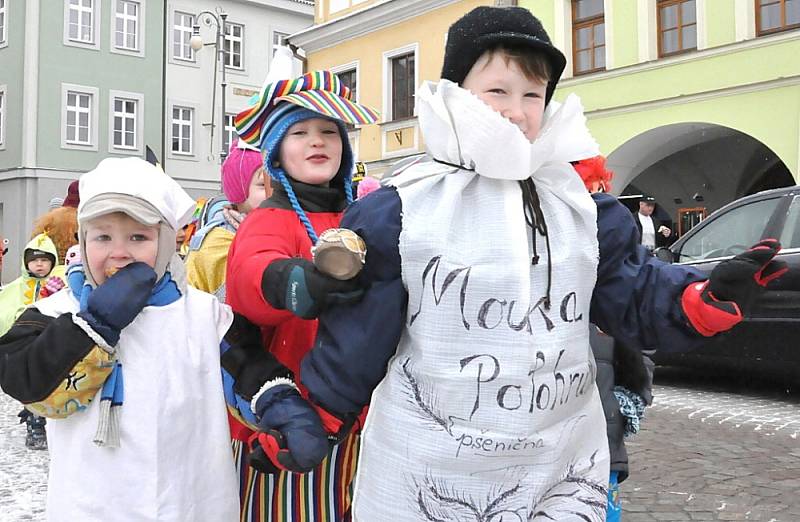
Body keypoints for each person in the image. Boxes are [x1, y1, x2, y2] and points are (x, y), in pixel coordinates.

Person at [247, 7, 790, 520]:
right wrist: (316, 414)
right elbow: (360, 334)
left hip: (554, 463)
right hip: (433, 468)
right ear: (458, 94)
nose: (516, 109)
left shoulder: (582, 209)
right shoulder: (402, 208)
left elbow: (630, 292)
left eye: (533, 94)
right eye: (497, 91)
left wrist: (699, 296)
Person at [0, 157, 240, 520]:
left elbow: (246, 369)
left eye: (138, 237)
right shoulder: (55, 311)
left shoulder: (204, 315)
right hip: (92, 504)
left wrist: (277, 403)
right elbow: (24, 380)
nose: (119, 251)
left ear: (163, 244)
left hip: (187, 500)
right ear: (83, 241)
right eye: (103, 237)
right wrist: (94, 323)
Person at [223, 59, 379, 521]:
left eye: (329, 132)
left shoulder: (361, 216)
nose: (317, 141)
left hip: (357, 413)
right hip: (291, 412)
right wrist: (300, 283)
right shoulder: (268, 219)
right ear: (276, 153)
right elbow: (252, 278)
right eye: (300, 132)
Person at [0, 233, 64, 450]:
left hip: (52, 344)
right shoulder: (16, 287)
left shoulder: (60, 282)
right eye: (35, 260)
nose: (39, 264)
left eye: (45, 260)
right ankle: (34, 424)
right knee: (30, 382)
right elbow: (6, 311)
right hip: (26, 346)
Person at [185, 138, 270, 300]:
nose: (273, 191)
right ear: (239, 190)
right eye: (263, 185)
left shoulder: (274, 229)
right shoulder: (219, 244)